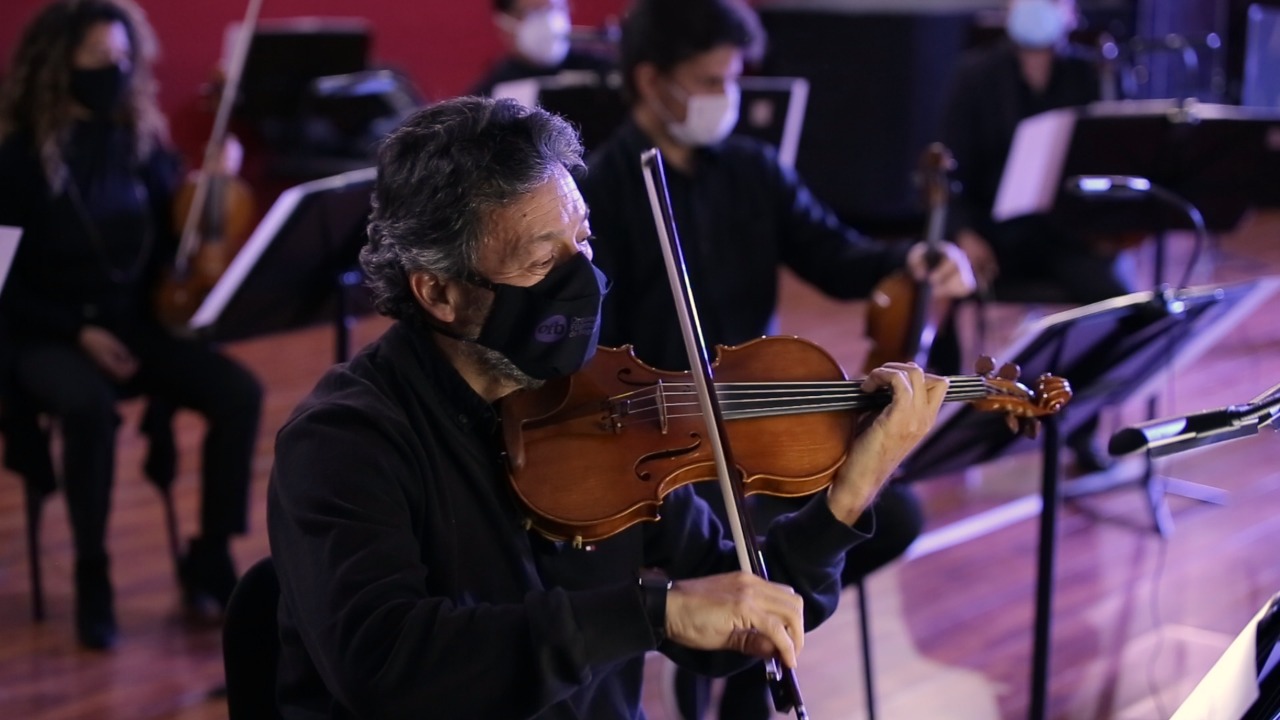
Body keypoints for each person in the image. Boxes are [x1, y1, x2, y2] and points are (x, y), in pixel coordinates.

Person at [265, 95, 949, 719]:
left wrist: (849, 495)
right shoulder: (345, 442)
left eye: (583, 242)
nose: (582, 279)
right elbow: (388, 665)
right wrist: (650, 614)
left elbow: (738, 620)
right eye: (543, 262)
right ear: (439, 295)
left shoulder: (608, 406)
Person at [575, 0, 976, 716]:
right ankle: (716, 652)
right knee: (721, 550)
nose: (726, 95)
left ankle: (734, 668)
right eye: (708, 79)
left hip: (762, 427)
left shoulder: (754, 169)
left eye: (732, 77)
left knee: (898, 515)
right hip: (655, 446)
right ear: (650, 80)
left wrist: (915, 258)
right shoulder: (603, 192)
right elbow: (587, 349)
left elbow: (835, 254)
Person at [0, 0, 263, 650]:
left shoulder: (140, 140)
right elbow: (1, 284)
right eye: (99, 59)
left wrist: (214, 186)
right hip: (44, 329)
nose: (115, 72)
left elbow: (176, 238)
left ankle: (210, 552)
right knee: (87, 408)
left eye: (123, 59)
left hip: (131, 323)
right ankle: (94, 572)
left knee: (239, 392)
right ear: (59, 66)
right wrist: (78, 329)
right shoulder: (16, 158)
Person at [940, 0, 1135, 472]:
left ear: (1070, 12)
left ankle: (1078, 423)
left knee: (1118, 302)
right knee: (941, 288)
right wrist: (964, 233)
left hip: (1065, 235)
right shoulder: (976, 75)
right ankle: (947, 425)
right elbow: (949, 170)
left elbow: (1117, 163)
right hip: (995, 234)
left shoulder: (1093, 76)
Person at [469, 0, 616, 98]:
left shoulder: (608, 72)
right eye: (535, 13)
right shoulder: (488, 97)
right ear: (504, 24)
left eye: (554, 9)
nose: (549, 22)